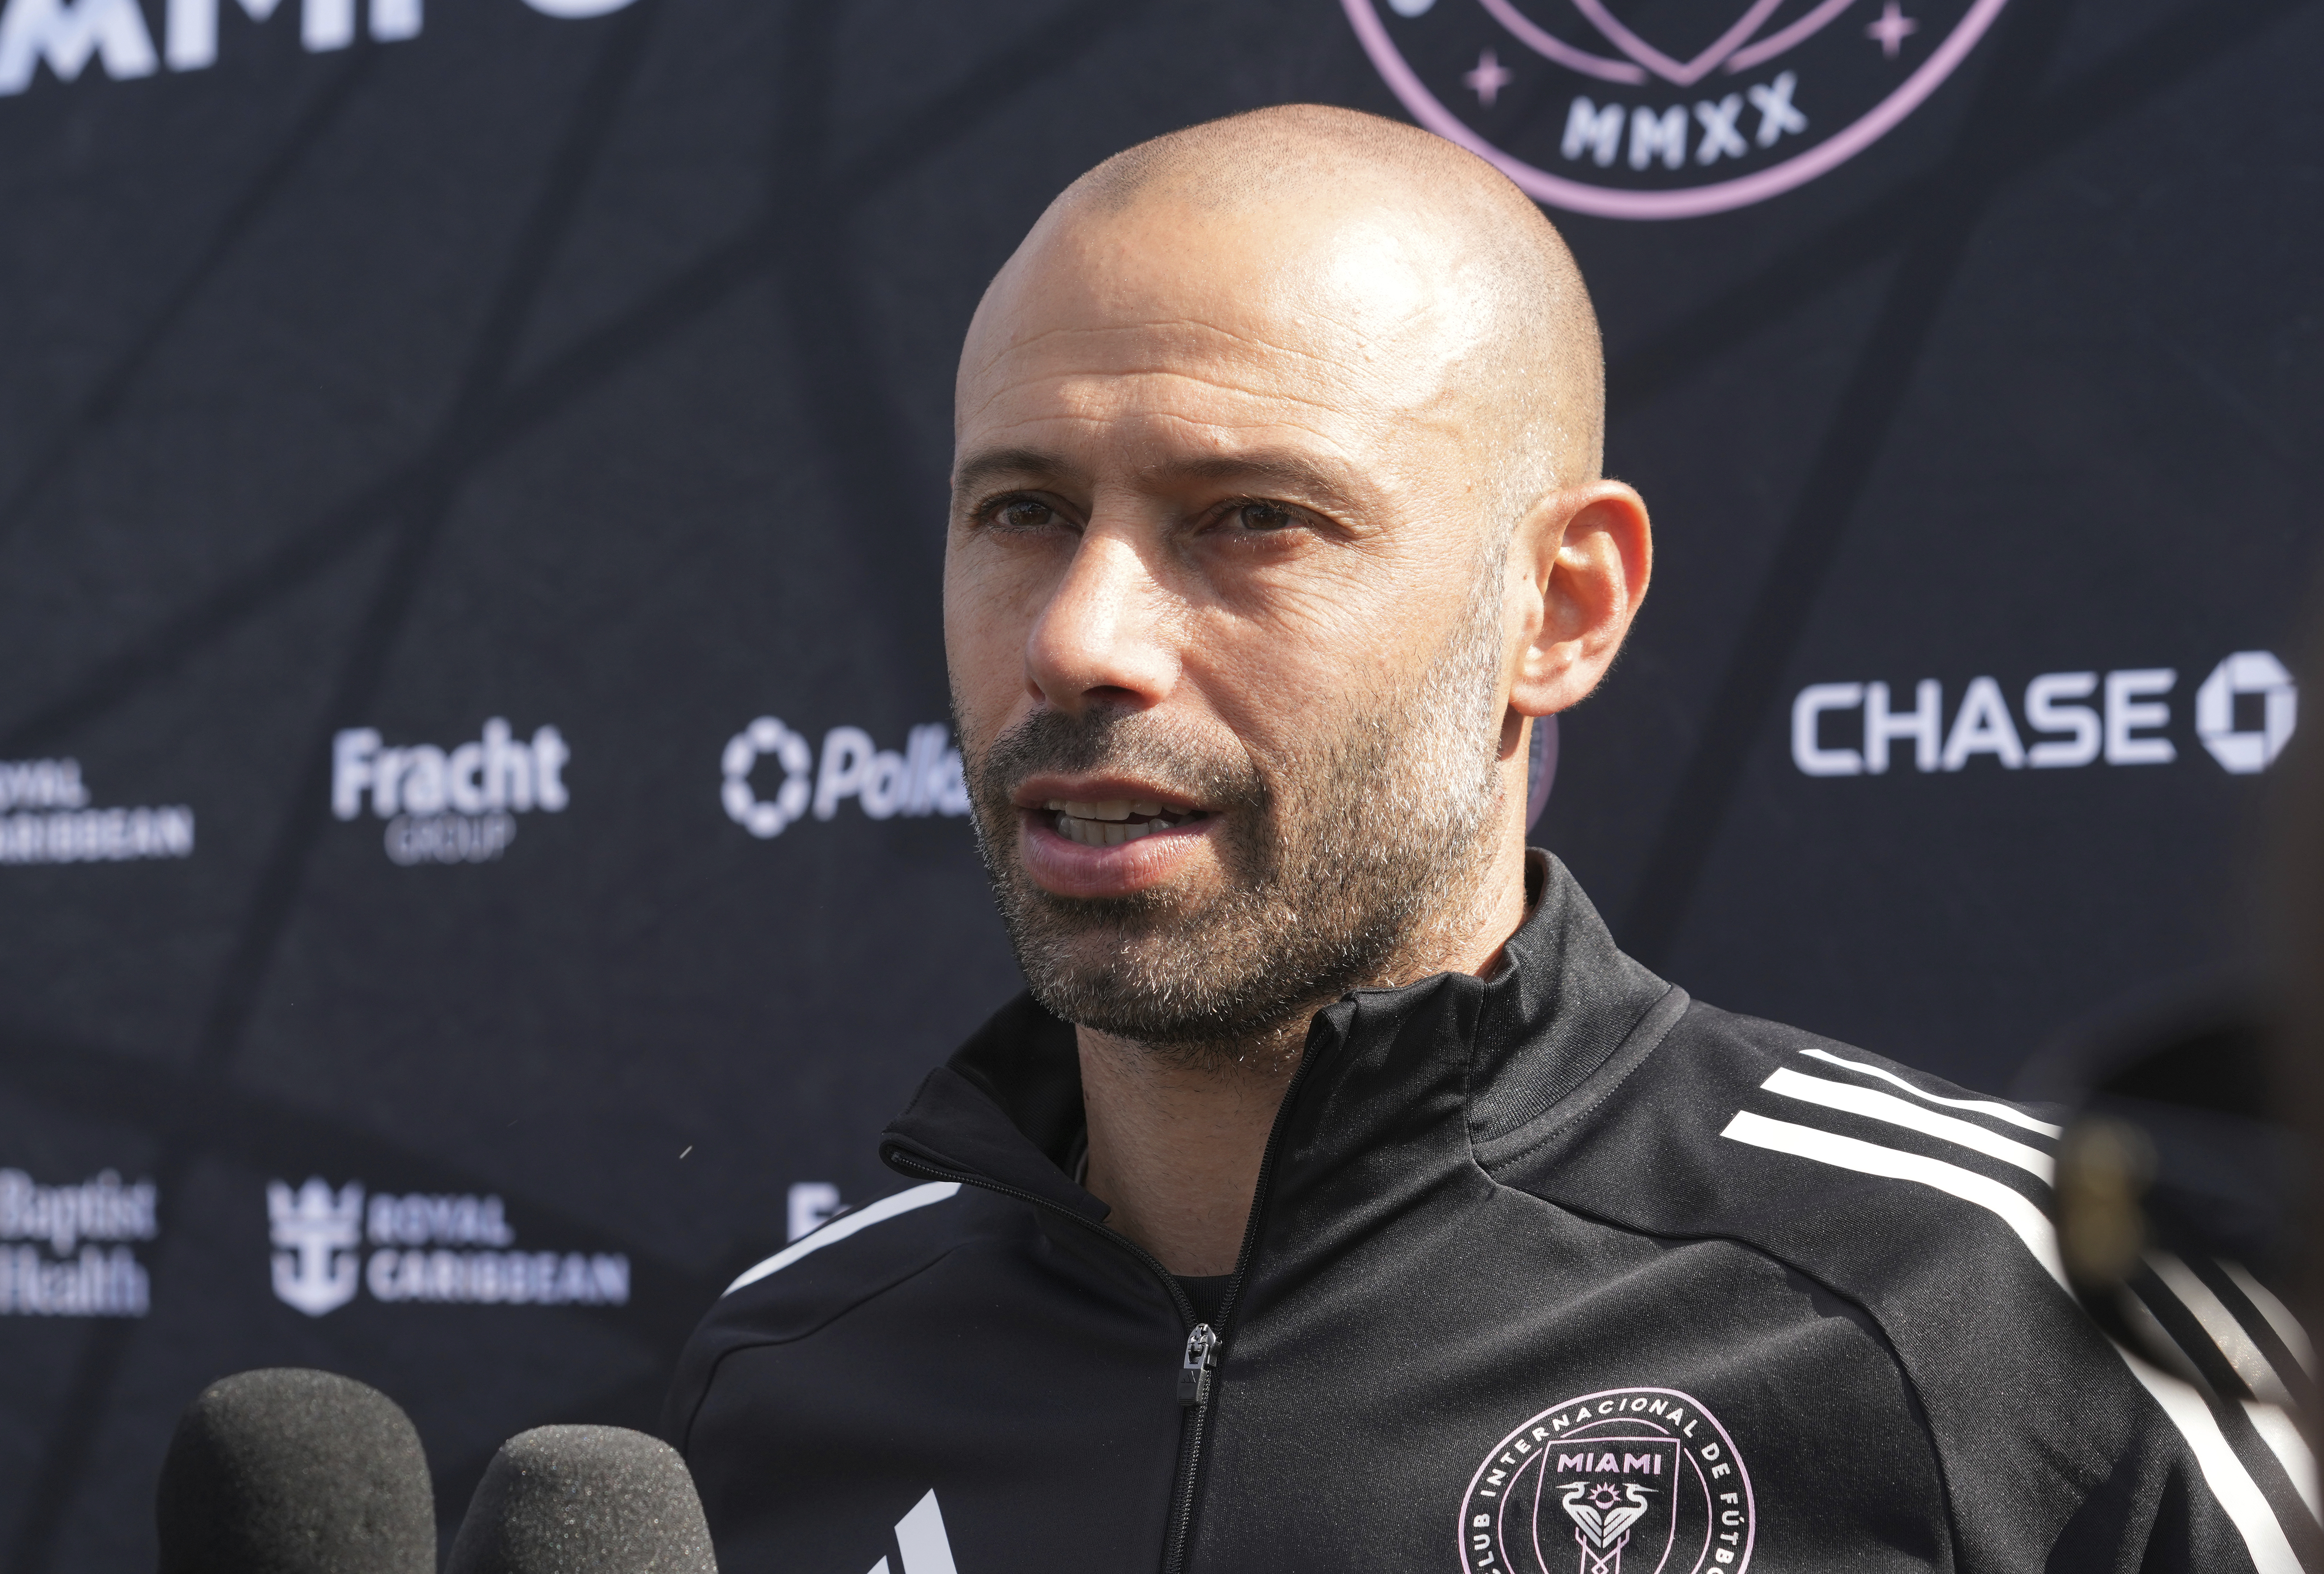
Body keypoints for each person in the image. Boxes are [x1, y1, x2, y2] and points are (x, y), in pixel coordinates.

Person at [665, 106, 2308, 1572]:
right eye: (1022, 511)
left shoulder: (2002, 1332)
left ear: (1561, 607)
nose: (1083, 638)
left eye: (1251, 518)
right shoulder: (786, 1368)